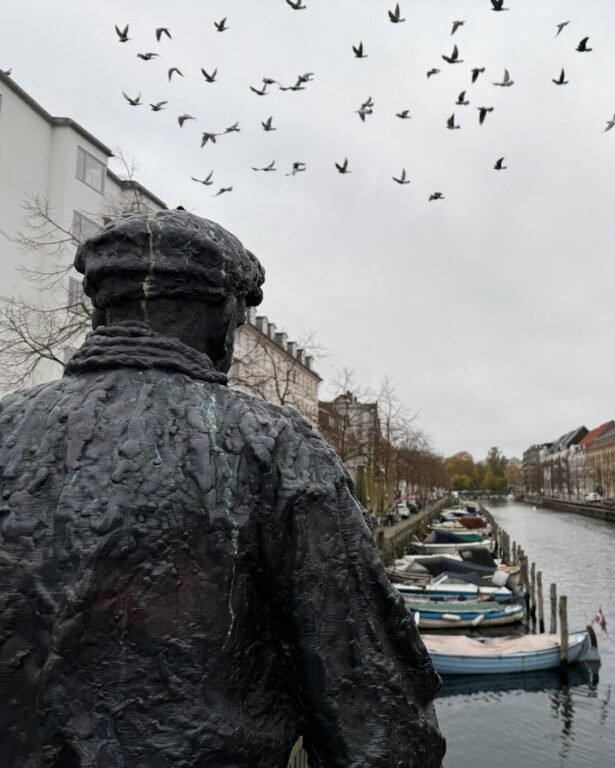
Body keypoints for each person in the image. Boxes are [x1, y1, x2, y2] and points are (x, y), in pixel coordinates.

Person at [0, 211, 445, 767]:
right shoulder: (272, 445)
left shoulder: (7, 425)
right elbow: (375, 713)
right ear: (222, 319)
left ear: (100, 311)